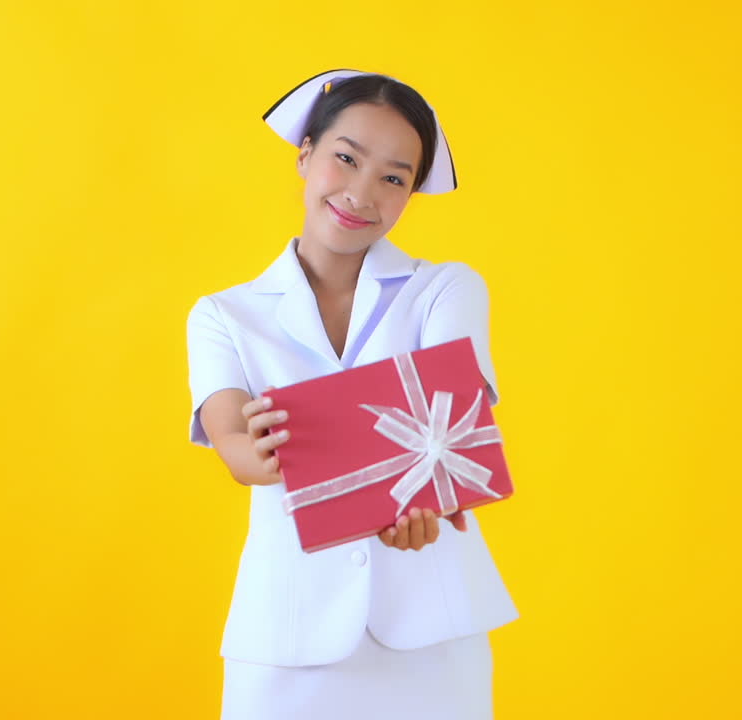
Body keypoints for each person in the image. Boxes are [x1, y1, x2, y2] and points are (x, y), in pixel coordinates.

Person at [185, 68, 519, 719]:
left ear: (410, 194)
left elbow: (454, 424)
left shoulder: (446, 289)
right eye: (346, 159)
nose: (362, 193)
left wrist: (416, 485)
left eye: (394, 178)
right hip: (286, 632)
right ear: (306, 155)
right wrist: (253, 450)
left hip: (431, 633)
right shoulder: (224, 314)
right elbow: (232, 442)